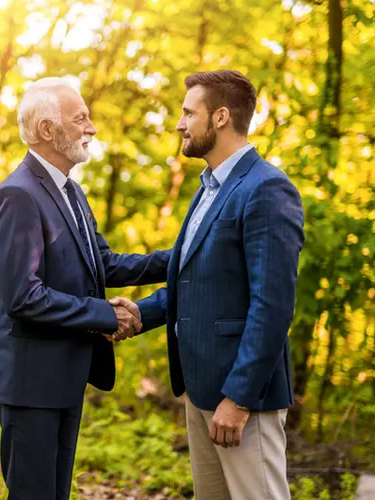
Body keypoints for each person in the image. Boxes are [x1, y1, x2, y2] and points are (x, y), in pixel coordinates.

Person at [115, 70, 304, 500]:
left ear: (220, 118)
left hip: (240, 401)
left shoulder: (267, 189)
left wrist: (238, 400)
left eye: (188, 112)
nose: (180, 123)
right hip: (200, 391)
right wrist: (137, 314)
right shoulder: (208, 189)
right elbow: (194, 281)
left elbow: (272, 306)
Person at [0, 77, 169, 499]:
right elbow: (23, 297)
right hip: (31, 380)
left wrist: (182, 256)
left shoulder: (71, 190)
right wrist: (108, 315)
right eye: (80, 118)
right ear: (48, 130)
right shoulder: (18, 195)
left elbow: (104, 264)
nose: (92, 127)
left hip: (65, 375)